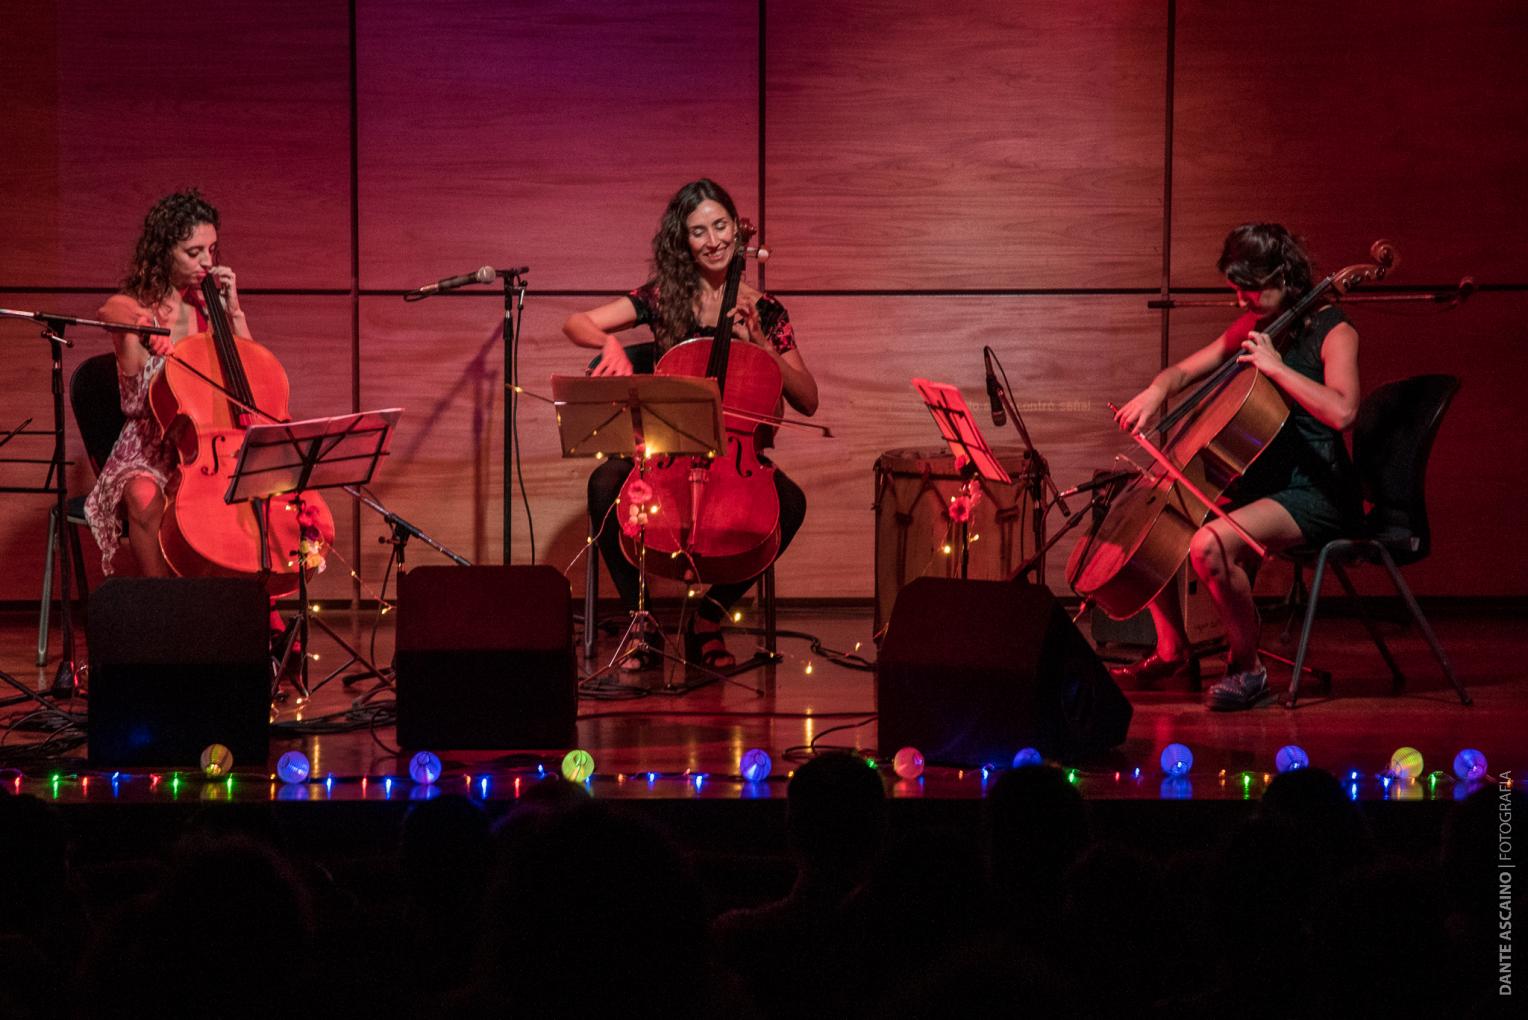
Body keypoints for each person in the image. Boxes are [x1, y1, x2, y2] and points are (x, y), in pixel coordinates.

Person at [563, 179, 819, 671]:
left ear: (734, 226)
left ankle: (709, 616)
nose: (714, 240)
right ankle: (643, 621)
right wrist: (610, 346)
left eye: (721, 225)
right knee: (604, 486)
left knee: (790, 503)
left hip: (737, 458)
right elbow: (575, 322)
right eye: (698, 231)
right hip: (665, 451)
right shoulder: (664, 297)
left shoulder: (765, 309)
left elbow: (807, 399)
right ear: (684, 242)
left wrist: (762, 343)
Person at [1110, 223, 1361, 709]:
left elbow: (1344, 412)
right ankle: (1172, 649)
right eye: (1235, 289)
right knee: (1153, 519)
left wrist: (1278, 369)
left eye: (1249, 288)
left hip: (1317, 490)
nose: (1240, 299)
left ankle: (1248, 670)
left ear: (1283, 278)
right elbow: (1184, 371)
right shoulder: (1259, 325)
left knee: (1208, 544)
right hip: (1264, 482)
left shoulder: (1336, 332)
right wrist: (1157, 390)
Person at [84, 189, 246, 577]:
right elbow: (110, 309)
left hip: (204, 444)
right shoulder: (139, 304)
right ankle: (163, 606)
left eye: (212, 249)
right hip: (147, 446)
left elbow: (252, 377)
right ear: (163, 252)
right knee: (144, 496)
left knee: (235, 497)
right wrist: (142, 323)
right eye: (194, 252)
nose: (207, 262)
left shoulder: (212, 308)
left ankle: (222, 605)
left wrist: (234, 311)